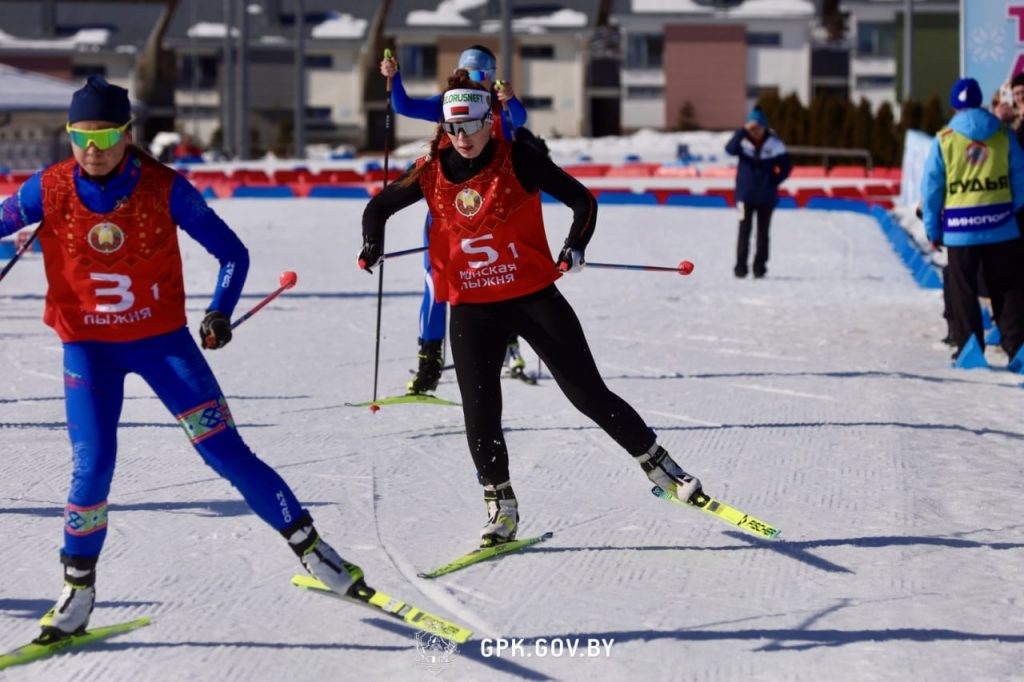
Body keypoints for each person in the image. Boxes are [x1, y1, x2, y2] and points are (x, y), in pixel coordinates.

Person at [0, 76, 364, 643]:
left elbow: (231, 254)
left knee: (223, 450)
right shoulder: (46, 189)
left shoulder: (164, 188)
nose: (91, 149)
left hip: (163, 347)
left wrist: (219, 311)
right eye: (79, 136)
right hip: (88, 351)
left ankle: (316, 551)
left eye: (103, 135)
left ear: (127, 133)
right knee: (92, 465)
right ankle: (78, 589)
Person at [358, 72, 704, 546]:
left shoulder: (517, 158)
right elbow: (377, 208)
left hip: (532, 299)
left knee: (587, 394)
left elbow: (581, 200)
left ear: (489, 120)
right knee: (480, 413)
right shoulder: (431, 170)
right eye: (453, 127)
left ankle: (662, 468)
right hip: (473, 310)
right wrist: (371, 245)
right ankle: (501, 507)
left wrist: (575, 245)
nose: (462, 137)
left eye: (472, 126)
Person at [380, 45, 532, 394]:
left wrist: (509, 98)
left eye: (482, 75)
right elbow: (403, 106)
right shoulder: (449, 101)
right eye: (468, 74)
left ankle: (508, 344)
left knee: (500, 282)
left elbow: (518, 120)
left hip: (493, 212)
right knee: (436, 286)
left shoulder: (496, 105)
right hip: (449, 210)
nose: (474, 83)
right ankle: (428, 365)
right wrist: (394, 75)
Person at [921, 77, 1024, 366]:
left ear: (954, 106)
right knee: (1006, 286)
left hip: (959, 230)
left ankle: (970, 350)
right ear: (980, 102)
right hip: (1000, 226)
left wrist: (933, 228)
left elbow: (931, 189)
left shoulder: (945, 140)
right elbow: (1020, 177)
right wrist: (1008, 210)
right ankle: (1016, 346)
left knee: (963, 287)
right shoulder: (1003, 135)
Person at [724, 107, 792, 279]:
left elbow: (786, 167)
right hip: (745, 197)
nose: (755, 132)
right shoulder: (742, 142)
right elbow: (729, 150)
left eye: (758, 128)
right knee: (744, 231)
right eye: (752, 128)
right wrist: (743, 131)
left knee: (763, 233)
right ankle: (740, 268)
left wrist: (772, 182)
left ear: (764, 127)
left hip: (767, 198)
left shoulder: (775, 143)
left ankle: (759, 267)